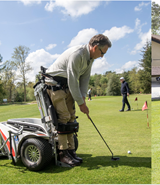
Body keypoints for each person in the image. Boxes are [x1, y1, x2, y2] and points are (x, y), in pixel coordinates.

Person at [43, 34, 111, 166]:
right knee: (63, 117)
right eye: (102, 53)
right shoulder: (77, 54)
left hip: (66, 86)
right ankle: (63, 153)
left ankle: (71, 151)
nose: (102, 56)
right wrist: (81, 104)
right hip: (54, 85)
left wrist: (83, 98)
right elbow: (73, 79)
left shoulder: (90, 59)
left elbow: (85, 79)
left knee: (71, 117)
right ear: (95, 47)